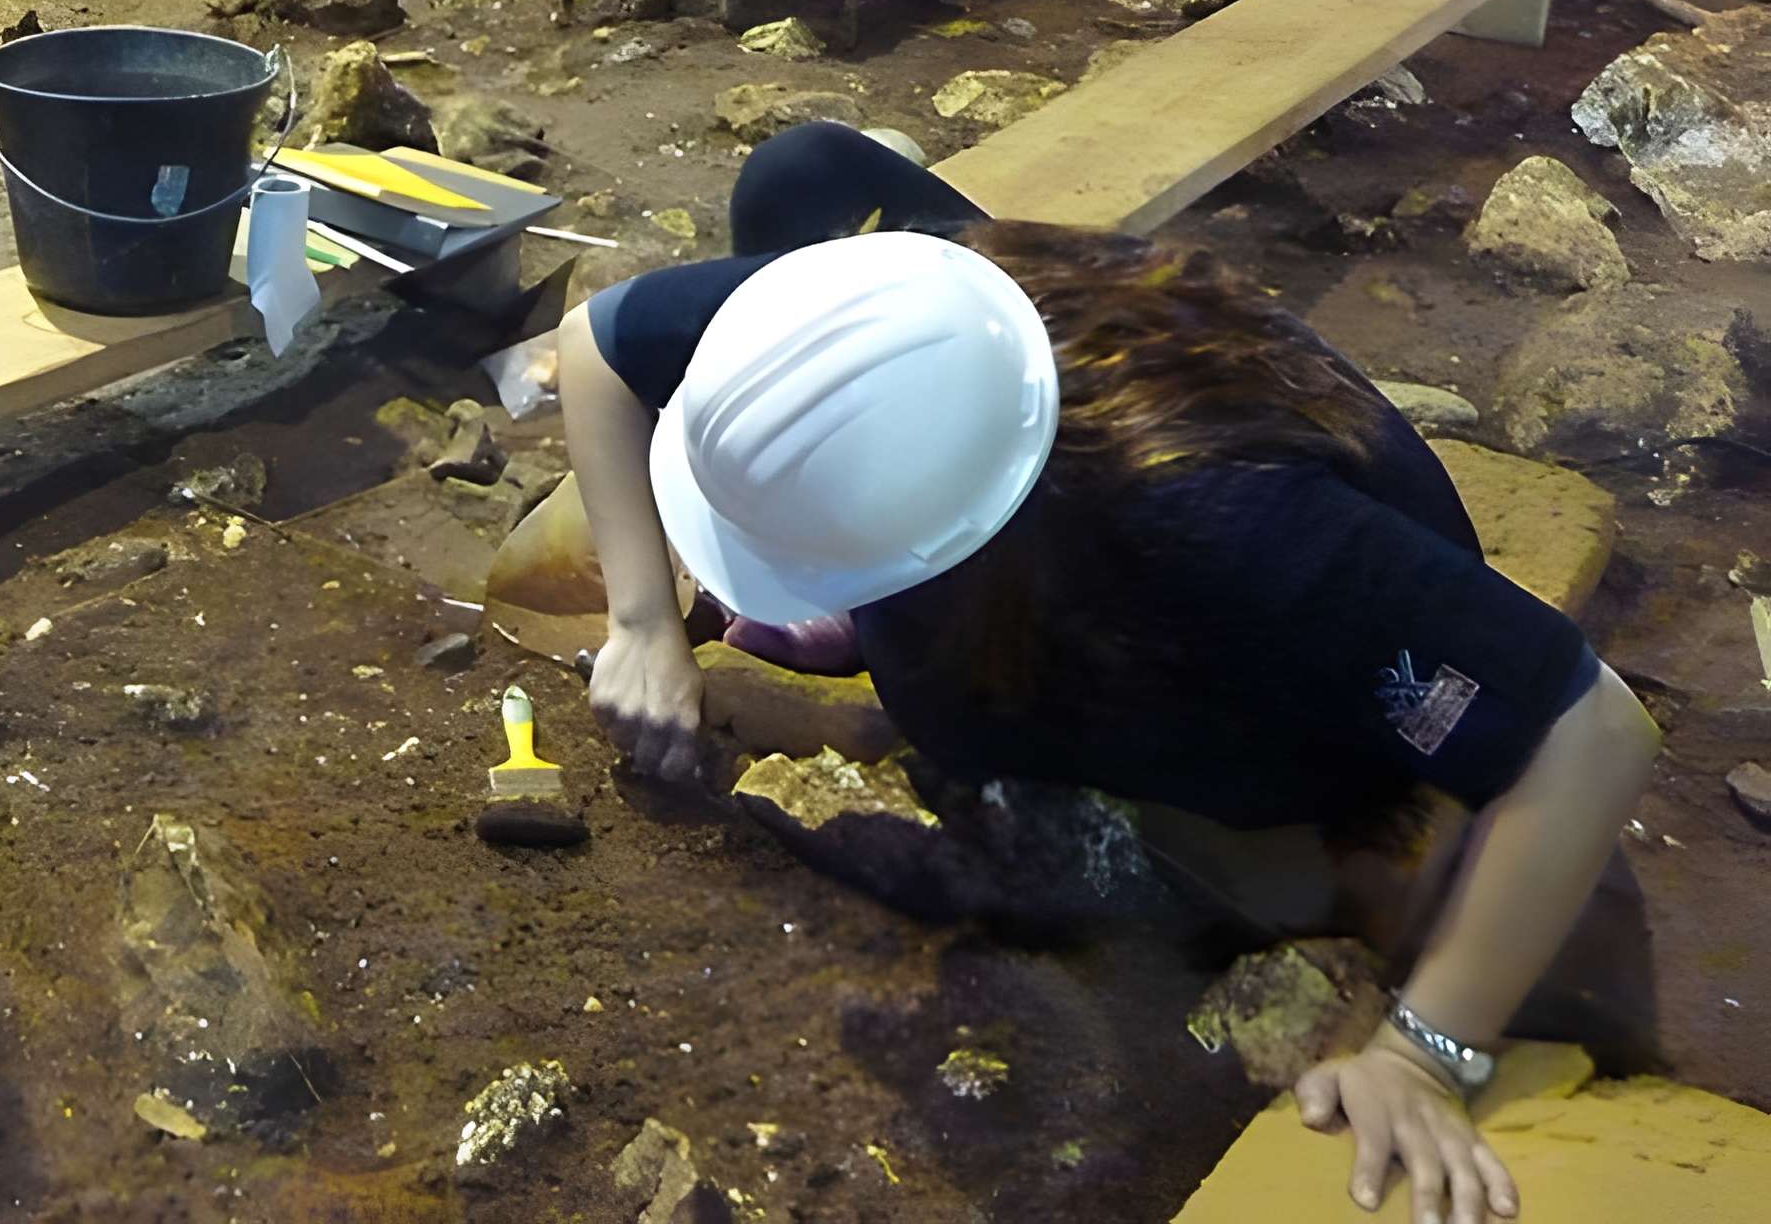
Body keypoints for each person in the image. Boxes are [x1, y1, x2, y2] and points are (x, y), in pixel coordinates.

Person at [562, 123, 1660, 1224]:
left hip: (1277, 660)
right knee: (795, 170)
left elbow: (1589, 734)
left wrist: (1426, 1053)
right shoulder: (864, 320)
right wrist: (641, 622)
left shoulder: (1216, 530)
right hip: (1051, 508)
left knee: (952, 713)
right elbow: (592, 345)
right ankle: (876, 616)